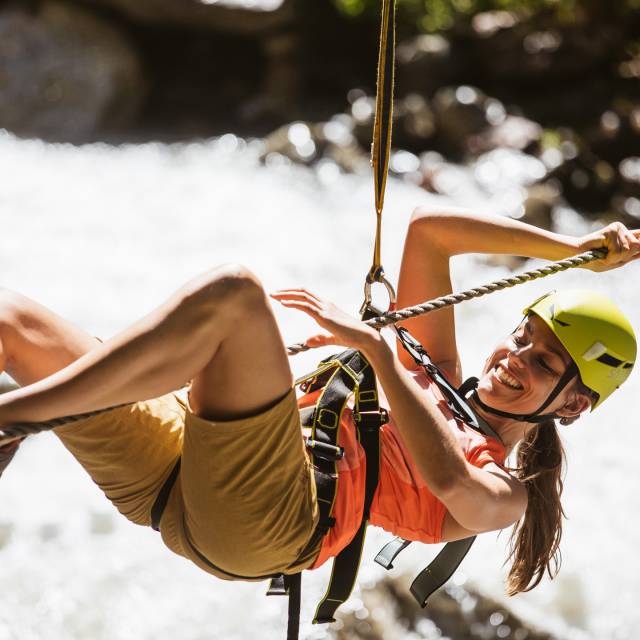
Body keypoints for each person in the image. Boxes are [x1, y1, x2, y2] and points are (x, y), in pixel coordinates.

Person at [0, 210, 637, 594]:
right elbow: (429, 231)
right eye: (520, 338)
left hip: (268, 526)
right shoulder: (435, 369)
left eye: (544, 362)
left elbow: (449, 479)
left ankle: (16, 416)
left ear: (572, 407)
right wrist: (569, 252)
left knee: (234, 295)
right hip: (182, 464)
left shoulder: (505, 492)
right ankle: (22, 412)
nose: (513, 358)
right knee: (12, 320)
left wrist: (382, 356)